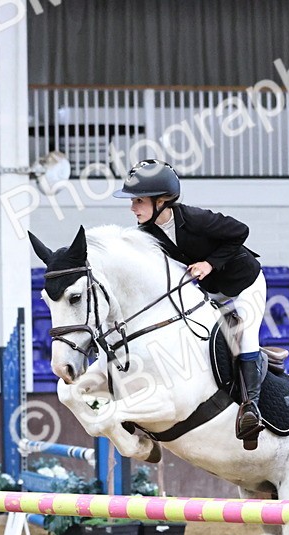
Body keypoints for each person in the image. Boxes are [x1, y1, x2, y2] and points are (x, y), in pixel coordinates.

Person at [114, 160, 268, 443]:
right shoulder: (146, 234)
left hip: (244, 283)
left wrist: (210, 263)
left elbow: (240, 232)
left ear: (162, 202)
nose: (132, 207)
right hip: (208, 292)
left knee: (245, 336)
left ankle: (251, 409)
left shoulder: (195, 219)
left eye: (138, 200)